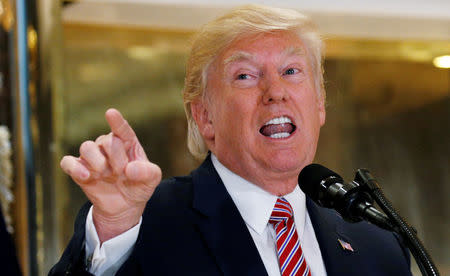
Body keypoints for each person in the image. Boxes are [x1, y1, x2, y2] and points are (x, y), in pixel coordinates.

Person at [50, 5, 412, 276]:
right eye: (245, 76)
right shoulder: (146, 221)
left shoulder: (376, 242)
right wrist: (115, 228)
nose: (276, 92)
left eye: (291, 71)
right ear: (204, 117)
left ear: (319, 104)